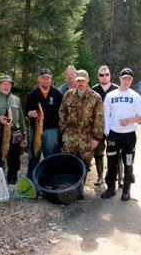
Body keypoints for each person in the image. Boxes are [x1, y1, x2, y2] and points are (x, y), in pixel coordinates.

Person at [101, 68, 141, 201]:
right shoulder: (111, 96)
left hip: (129, 136)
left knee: (128, 162)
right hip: (113, 135)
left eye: (129, 79)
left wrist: (130, 120)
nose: (126, 81)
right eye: (124, 78)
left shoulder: (135, 96)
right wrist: (107, 132)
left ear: (132, 80)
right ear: (120, 78)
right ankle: (110, 188)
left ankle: (126, 191)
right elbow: (106, 116)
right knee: (111, 162)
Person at [59, 70, 104, 199]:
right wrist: (63, 132)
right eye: (78, 80)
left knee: (84, 164)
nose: (80, 83)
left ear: (87, 81)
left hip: (87, 136)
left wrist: (96, 138)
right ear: (75, 81)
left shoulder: (95, 97)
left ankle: (79, 192)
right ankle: (68, 190)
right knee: (69, 162)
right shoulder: (68, 95)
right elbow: (62, 113)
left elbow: (99, 119)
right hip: (70, 136)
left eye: (83, 80)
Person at [0, 75, 27, 184]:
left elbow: (21, 120)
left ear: (11, 86)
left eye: (9, 84)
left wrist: (24, 136)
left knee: (14, 162)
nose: (6, 86)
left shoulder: (16, 100)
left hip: (15, 135)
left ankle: (11, 183)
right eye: (4, 83)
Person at [25, 68, 63, 180]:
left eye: (48, 78)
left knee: (52, 157)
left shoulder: (57, 94)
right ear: (38, 79)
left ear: (51, 79)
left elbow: (63, 112)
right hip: (36, 130)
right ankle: (31, 182)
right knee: (33, 156)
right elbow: (27, 110)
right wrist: (30, 113)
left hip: (52, 130)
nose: (45, 80)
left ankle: (52, 181)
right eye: (43, 78)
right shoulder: (33, 94)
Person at [91, 65, 120, 186]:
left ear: (110, 75)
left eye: (107, 74)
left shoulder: (117, 89)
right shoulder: (93, 90)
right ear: (98, 76)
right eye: (101, 75)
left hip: (113, 126)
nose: (104, 77)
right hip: (97, 126)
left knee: (116, 152)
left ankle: (118, 177)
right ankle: (100, 177)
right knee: (98, 152)